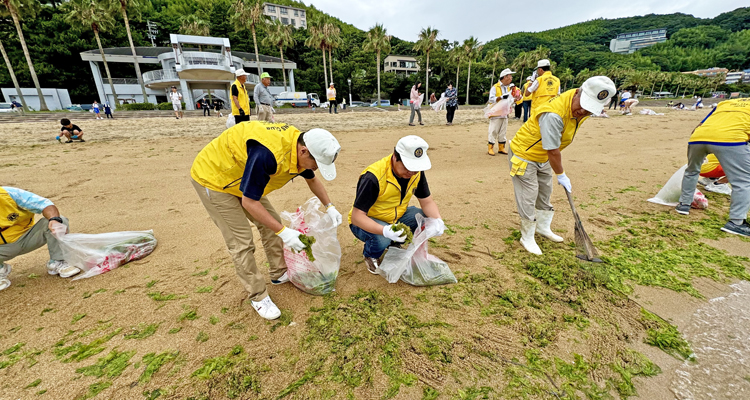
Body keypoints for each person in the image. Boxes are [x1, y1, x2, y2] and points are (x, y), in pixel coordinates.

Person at [190, 122, 342, 320]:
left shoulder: (299, 148)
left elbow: (312, 179)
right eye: (316, 164)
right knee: (241, 241)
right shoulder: (268, 155)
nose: (316, 169)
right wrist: (285, 232)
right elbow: (249, 202)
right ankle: (258, 295)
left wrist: (329, 206)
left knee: (272, 224)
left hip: (243, 174)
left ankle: (279, 273)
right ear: (304, 151)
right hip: (215, 178)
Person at [509, 76, 615, 255]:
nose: (582, 111)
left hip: (543, 156)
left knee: (545, 191)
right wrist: (561, 174)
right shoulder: (553, 114)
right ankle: (527, 236)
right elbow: (553, 150)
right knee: (528, 195)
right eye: (582, 106)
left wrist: (557, 171)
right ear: (578, 93)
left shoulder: (580, 106)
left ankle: (543, 227)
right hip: (525, 154)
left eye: (589, 110)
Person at [349, 135, 445, 273]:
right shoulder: (373, 177)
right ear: (395, 156)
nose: (412, 172)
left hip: (395, 217)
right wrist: (385, 231)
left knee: (424, 217)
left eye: (416, 167)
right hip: (367, 221)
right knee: (382, 239)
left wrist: (437, 220)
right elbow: (357, 217)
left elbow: (427, 201)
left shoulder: (416, 173)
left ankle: (393, 242)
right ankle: (371, 254)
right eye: (408, 166)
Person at [675, 98, 750, 237]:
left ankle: (684, 205)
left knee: (692, 171)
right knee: (743, 181)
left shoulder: (724, 103)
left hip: (698, 137)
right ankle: (736, 222)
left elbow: (698, 125)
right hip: (731, 140)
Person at [0, 187, 81, 291]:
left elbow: (45, 205)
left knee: (59, 220)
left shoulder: (9, 194)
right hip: (3, 248)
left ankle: (58, 261)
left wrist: (54, 220)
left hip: (28, 237)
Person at [487, 69, 522, 156]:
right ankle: (490, 147)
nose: (511, 78)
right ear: (505, 77)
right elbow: (491, 99)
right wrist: (501, 97)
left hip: (505, 112)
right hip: (496, 112)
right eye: (510, 76)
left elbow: (509, 100)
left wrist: (515, 99)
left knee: (503, 130)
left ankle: (501, 147)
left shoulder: (508, 88)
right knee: (493, 130)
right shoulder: (495, 87)